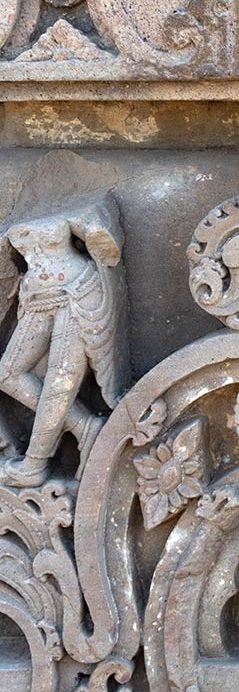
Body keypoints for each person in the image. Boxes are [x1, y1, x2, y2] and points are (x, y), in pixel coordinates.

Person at [0, 197, 127, 488]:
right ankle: (84, 427)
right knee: (7, 373)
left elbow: (107, 247)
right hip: (35, 297)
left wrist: (93, 229)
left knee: (61, 379)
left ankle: (35, 464)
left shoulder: (81, 206)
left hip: (77, 292)